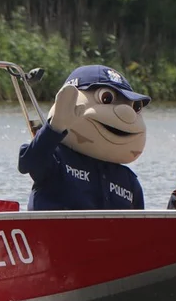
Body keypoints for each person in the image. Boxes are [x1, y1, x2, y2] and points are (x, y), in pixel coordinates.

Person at [18, 65, 148, 210]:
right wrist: (54, 128)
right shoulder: (55, 157)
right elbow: (27, 163)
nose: (128, 113)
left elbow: (139, 225)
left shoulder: (128, 180)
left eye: (135, 107)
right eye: (106, 98)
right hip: (53, 231)